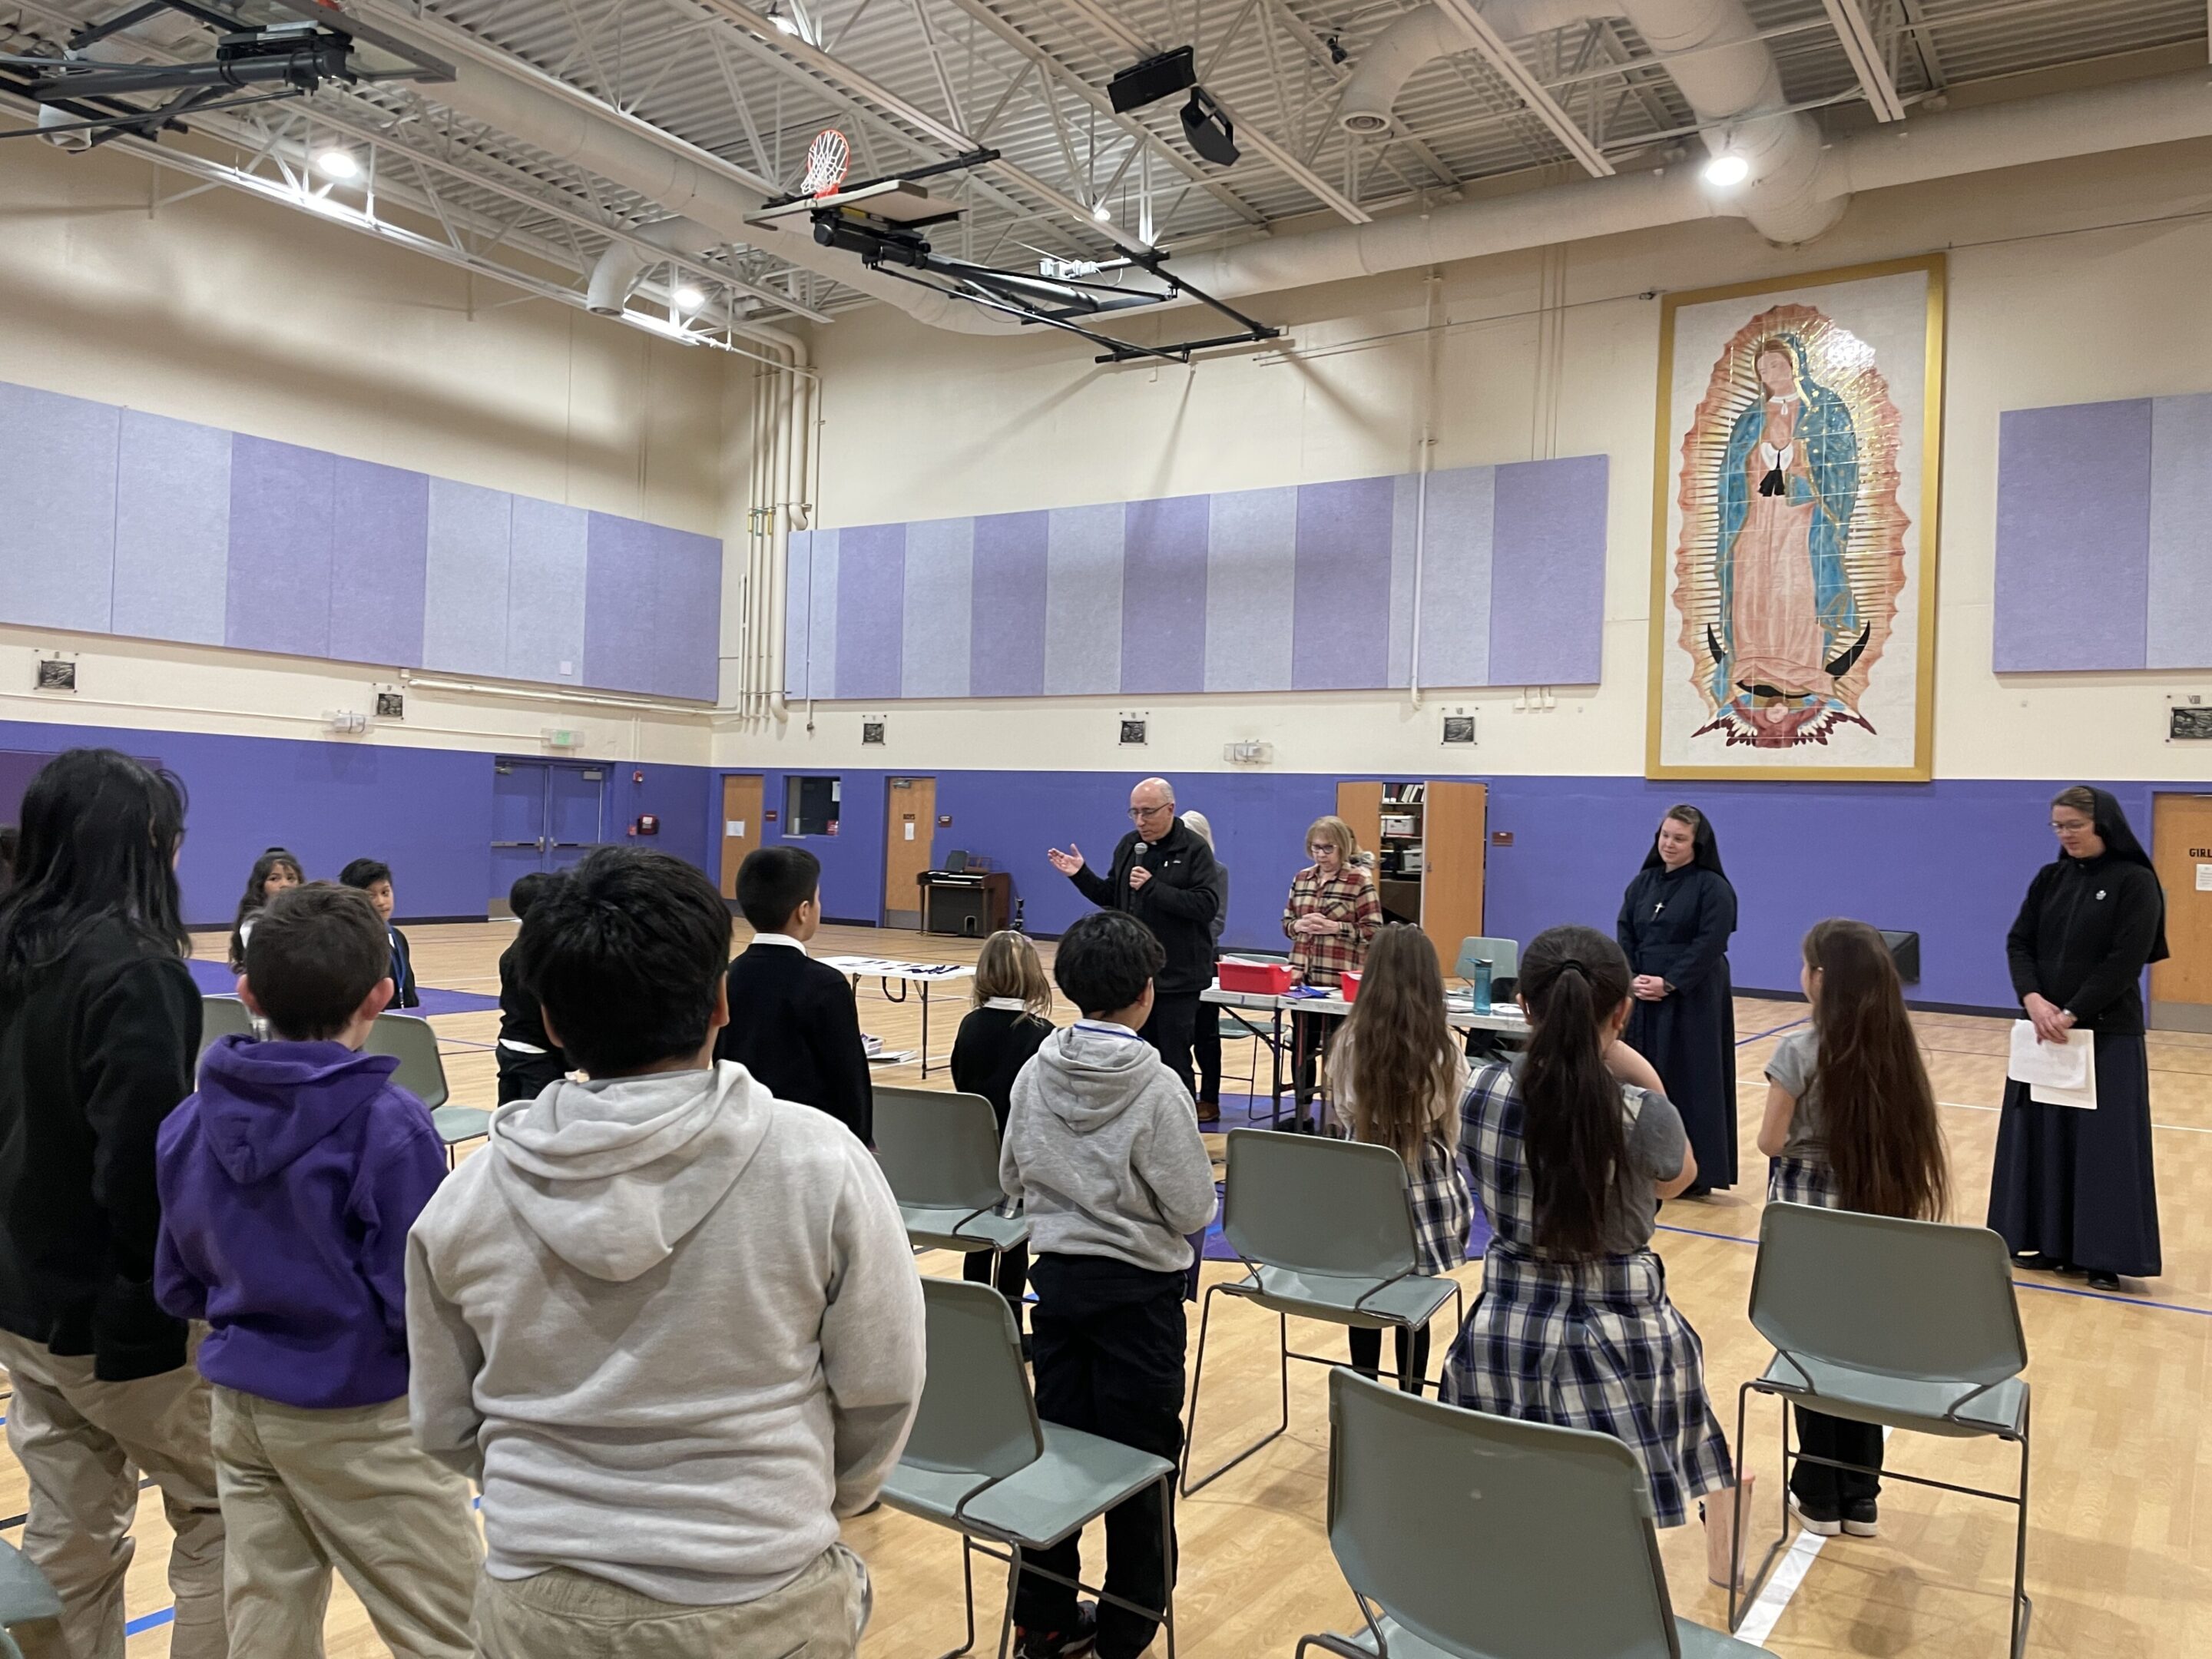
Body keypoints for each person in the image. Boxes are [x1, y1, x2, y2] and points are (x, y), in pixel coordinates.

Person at [406, 848, 924, 1657]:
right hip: (763, 1601)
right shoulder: (824, 1165)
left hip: (538, 1607)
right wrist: (799, 1501)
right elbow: (883, 1386)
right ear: (721, 1001)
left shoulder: (463, 1200)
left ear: (550, 1023)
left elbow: (442, 1424)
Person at [154, 882, 478, 1656]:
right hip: (363, 1414)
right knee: (453, 1627)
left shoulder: (187, 1119)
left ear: (245, 992)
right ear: (381, 995)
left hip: (239, 1403)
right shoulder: (387, 1123)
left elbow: (177, 1280)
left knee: (267, 1620)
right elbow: (421, 1297)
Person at [0, 749, 227, 1657]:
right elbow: (141, 1163)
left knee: (70, 1527)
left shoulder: (16, 948)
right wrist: (152, 1308)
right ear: (142, 847)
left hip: (24, 1298)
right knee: (228, 1509)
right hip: (113, 1316)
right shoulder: (134, 970)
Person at [1440, 925, 1736, 1542]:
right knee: (1610, 1533)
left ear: (1524, 1005)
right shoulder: (1638, 1109)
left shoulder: (1477, 1091)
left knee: (1511, 1519)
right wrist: (1643, 1073)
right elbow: (1677, 1178)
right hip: (1627, 1340)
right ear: (1622, 1011)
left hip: (1503, 1331)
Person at [1001, 910, 1218, 1659]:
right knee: (1143, 1466)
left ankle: (1044, 1619)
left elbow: (1009, 1175)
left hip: (1056, 1290)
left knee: (1056, 1457)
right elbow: (1193, 1206)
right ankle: (1127, 1631)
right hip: (1140, 1305)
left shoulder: (1035, 1071)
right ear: (1146, 994)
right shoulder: (1158, 1087)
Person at [1757, 917, 1949, 1540]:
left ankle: (1816, 1493)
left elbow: (1771, 1141)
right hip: (1875, 1214)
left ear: (1821, 980)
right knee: (1861, 1351)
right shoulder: (1897, 1052)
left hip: (1808, 1219)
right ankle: (1861, 1496)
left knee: (1810, 1350)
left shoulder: (1799, 1050)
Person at [1987, 786, 2167, 1290]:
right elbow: (2019, 942)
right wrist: (2033, 1001)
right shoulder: (2050, 879)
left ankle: (2102, 1255)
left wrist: (2072, 1012)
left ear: (2103, 826)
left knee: (2103, 1148)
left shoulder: (2135, 883)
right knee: (2043, 1136)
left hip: (2106, 1035)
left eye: (2074, 826)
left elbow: (2124, 961)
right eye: (2058, 826)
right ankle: (2047, 1242)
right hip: (2043, 1033)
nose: (2065, 835)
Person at [1328, 925, 1470, 1392]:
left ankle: (1365, 1390)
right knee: (1415, 1304)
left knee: (1365, 1299)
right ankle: (1410, 1395)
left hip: (1361, 1178)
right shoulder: (1445, 1046)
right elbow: (1454, 1116)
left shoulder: (1349, 1040)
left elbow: (1344, 1109)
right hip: (1425, 1183)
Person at [1046, 777, 1220, 1100]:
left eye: (1149, 812)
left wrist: (1154, 887)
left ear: (1170, 809)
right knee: (1130, 1055)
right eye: (1135, 812)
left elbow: (1206, 906)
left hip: (1178, 978)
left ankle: (1177, 1123)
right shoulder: (1129, 846)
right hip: (1134, 974)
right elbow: (1113, 895)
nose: (1141, 821)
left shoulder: (1194, 849)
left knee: (1173, 1058)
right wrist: (1080, 874)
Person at [714, 845, 874, 1142]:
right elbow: (848, 1077)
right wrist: (861, 1140)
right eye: (817, 899)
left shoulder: (727, 976)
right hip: (810, 1140)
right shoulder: (825, 985)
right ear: (803, 911)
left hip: (740, 1133)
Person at [1616, 805, 1738, 1194]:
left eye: (1679, 838)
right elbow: (1625, 930)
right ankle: (1638, 1165)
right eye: (1665, 836)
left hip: (1693, 996)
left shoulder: (1714, 888)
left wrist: (1670, 983)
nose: (1669, 844)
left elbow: (1711, 943)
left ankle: (1693, 1172)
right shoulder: (1643, 883)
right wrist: (1633, 976)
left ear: (1696, 844)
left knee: (1691, 1077)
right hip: (1643, 992)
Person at [950, 930, 1055, 1339]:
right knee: (1015, 1243)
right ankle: (1009, 1328)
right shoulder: (1040, 1033)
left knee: (978, 1242)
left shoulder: (970, 1025)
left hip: (972, 1157)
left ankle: (972, 1328)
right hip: (1019, 1158)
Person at [1281, 815, 1382, 1129]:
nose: (1321, 855)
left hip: (1340, 985)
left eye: (1328, 848)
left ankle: (1342, 1119)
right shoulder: (1302, 879)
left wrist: (1334, 927)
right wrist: (1298, 925)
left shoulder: (1359, 881)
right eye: (1315, 848)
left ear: (1343, 848)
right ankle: (1303, 1114)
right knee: (1302, 1049)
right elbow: (1287, 923)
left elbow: (1375, 931)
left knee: (1341, 1054)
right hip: (1303, 980)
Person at [495, 871, 570, 1104]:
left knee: (507, 1116)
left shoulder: (511, 953)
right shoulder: (545, 956)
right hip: (539, 1053)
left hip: (509, 1044)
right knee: (538, 1123)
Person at [1179, 810, 1228, 1124]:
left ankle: (1210, 1098)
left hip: (1202, 960)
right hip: (1170, 963)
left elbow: (1216, 922)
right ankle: (1181, 1096)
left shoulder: (1217, 871)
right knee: (1175, 1034)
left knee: (1206, 1035)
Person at [339, 857, 419, 1009]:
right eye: (371, 896)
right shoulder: (347, 943)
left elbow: (408, 989)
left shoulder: (398, 938)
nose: (381, 902)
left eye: (385, 892)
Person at [227, 847, 304, 973]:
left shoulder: (311, 918)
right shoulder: (253, 924)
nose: (285, 884)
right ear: (260, 885)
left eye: (291, 878)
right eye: (274, 879)